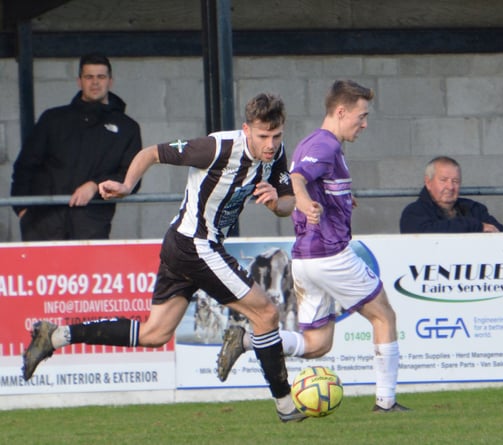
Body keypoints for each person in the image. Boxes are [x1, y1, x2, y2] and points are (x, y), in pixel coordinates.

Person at [22, 93, 306, 423]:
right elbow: (151, 153)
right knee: (267, 313)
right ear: (247, 129)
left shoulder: (276, 155)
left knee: (154, 334)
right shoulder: (216, 149)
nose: (270, 144)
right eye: (263, 136)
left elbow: (287, 204)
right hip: (195, 245)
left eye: (276, 136)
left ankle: (55, 335)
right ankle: (285, 405)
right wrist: (128, 184)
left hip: (184, 245)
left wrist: (275, 201)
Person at [217, 80, 409, 413]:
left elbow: (310, 179)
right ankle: (386, 403)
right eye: (360, 116)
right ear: (340, 111)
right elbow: (298, 178)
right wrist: (304, 202)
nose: (364, 124)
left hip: (306, 260)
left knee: (317, 344)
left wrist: (343, 200)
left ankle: (246, 340)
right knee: (384, 317)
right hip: (331, 255)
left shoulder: (315, 142)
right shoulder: (326, 144)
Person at [11, 53, 142, 241]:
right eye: (89, 77)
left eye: (101, 77)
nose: (95, 82)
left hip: (90, 225)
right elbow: (25, 166)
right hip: (42, 224)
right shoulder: (53, 119)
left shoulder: (127, 128)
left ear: (110, 81)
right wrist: (22, 209)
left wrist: (95, 185)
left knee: (87, 270)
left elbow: (131, 178)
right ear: (79, 81)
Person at [399, 156, 503, 233]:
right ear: (428, 182)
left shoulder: (474, 209)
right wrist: (475, 226)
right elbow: (427, 233)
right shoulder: (413, 212)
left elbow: (500, 232)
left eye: (455, 181)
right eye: (443, 180)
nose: (450, 187)